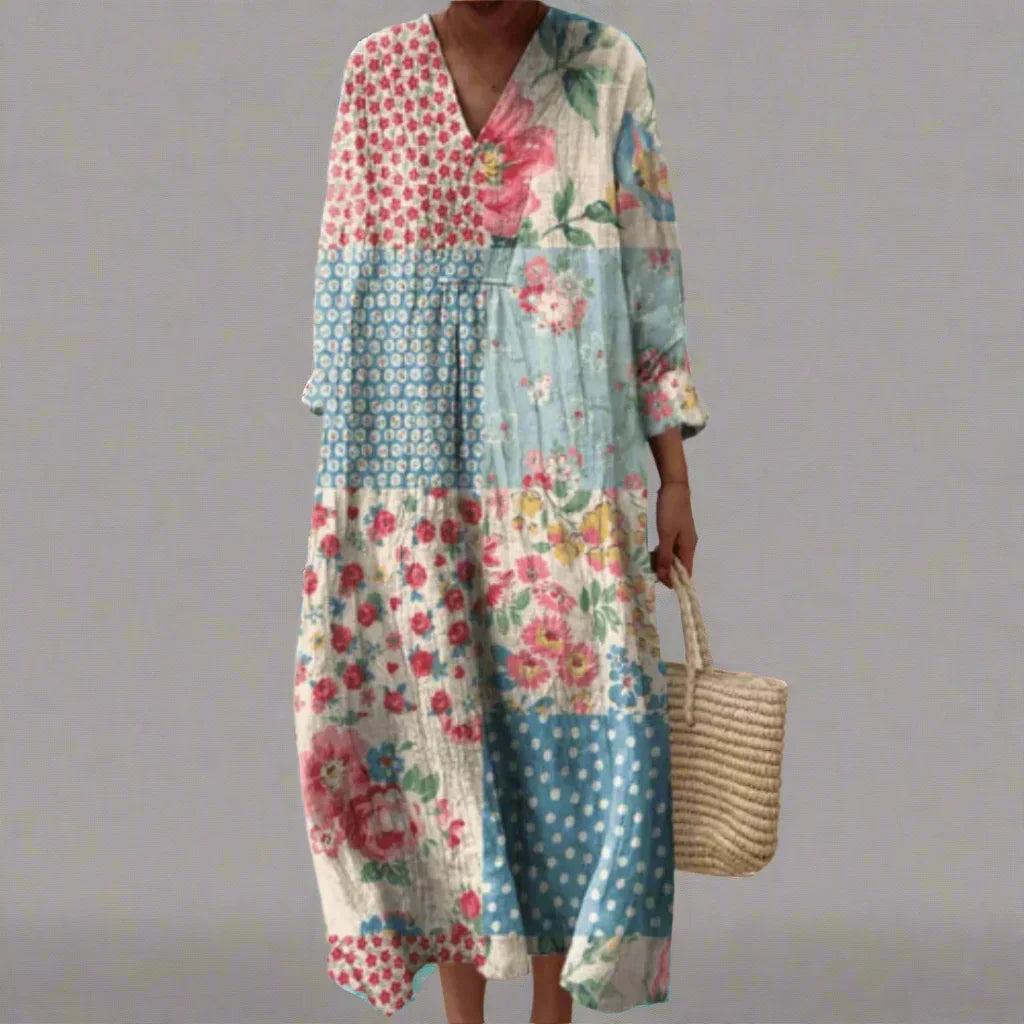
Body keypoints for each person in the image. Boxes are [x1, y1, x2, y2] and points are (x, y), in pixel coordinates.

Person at [292, 2, 709, 1021]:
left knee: (564, 738)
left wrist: (675, 476)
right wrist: (353, 487)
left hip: (565, 474)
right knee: (434, 731)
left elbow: (650, 277)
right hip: (411, 473)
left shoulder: (606, 68)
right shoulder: (376, 75)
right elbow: (343, 275)